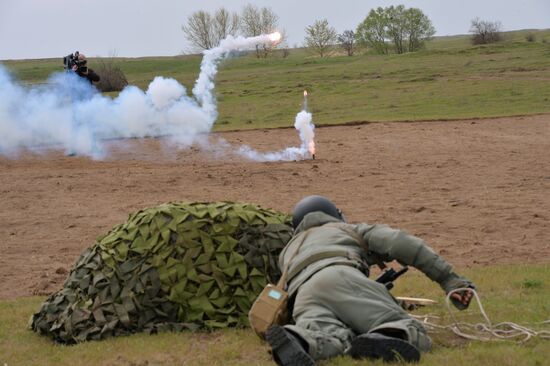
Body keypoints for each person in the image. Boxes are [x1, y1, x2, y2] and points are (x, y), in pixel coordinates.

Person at [265, 195, 475, 365]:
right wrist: (449, 280)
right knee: (401, 324)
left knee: (332, 338)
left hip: (304, 295)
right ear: (334, 215)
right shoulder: (347, 229)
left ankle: (299, 339)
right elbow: (401, 243)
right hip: (342, 276)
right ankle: (386, 334)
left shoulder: (288, 252)